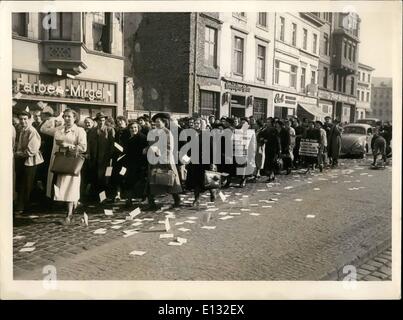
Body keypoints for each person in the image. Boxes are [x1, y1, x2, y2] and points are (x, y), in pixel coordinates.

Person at [47, 109, 87, 224]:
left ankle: (69, 215)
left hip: (72, 162)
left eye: (69, 116)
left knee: (71, 188)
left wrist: (68, 145)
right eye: (65, 116)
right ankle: (70, 210)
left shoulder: (80, 131)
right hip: (62, 162)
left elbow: (83, 147)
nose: (67, 118)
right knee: (62, 187)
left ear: (75, 118)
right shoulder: (60, 130)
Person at [146, 113, 182, 210]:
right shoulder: (153, 132)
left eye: (158, 122)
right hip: (154, 160)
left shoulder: (167, 133)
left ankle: (177, 199)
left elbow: (169, 147)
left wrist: (159, 153)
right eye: (155, 122)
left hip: (165, 161)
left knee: (169, 180)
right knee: (153, 181)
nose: (156, 124)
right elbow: (151, 144)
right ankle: (151, 202)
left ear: (164, 123)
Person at [14, 111, 44, 214]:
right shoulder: (22, 130)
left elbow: (32, 150)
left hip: (30, 161)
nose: (23, 121)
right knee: (21, 183)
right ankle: (22, 205)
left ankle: (25, 207)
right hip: (23, 160)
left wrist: (18, 154)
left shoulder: (32, 131)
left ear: (29, 119)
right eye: (21, 119)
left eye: (25, 119)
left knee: (27, 184)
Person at [185, 118, 217, 206]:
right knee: (196, 181)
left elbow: (213, 150)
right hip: (194, 161)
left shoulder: (208, 135)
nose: (196, 125)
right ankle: (196, 199)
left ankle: (212, 192)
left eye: (198, 123)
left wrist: (213, 163)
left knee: (208, 180)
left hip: (205, 161)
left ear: (204, 124)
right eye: (195, 123)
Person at [87, 112, 115, 201]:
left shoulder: (110, 130)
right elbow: (89, 144)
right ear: (96, 121)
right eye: (99, 120)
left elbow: (112, 145)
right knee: (95, 178)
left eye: (103, 120)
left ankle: (103, 198)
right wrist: (88, 154)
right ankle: (95, 197)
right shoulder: (92, 131)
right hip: (94, 159)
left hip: (106, 160)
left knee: (106, 178)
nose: (101, 122)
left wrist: (110, 157)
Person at [124, 121, 148, 206]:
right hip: (130, 163)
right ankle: (129, 199)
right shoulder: (128, 137)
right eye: (131, 128)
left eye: (135, 127)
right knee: (129, 180)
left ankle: (144, 198)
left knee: (140, 181)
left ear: (138, 128)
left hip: (139, 163)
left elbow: (144, 151)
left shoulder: (142, 137)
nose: (133, 129)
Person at [110, 116, 130, 201]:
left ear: (125, 122)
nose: (119, 123)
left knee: (123, 175)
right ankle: (117, 194)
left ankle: (124, 193)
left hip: (125, 157)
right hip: (116, 157)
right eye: (118, 122)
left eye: (121, 121)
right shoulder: (117, 131)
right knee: (116, 175)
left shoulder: (128, 131)